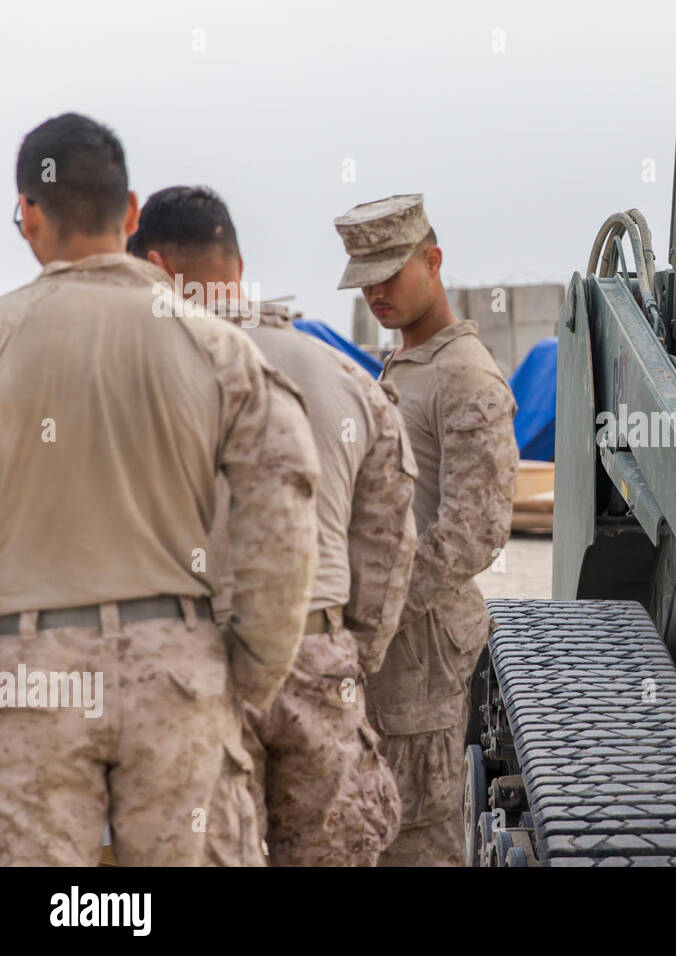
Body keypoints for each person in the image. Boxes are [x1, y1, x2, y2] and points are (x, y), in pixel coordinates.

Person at [0, 114, 319, 866]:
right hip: (178, 670)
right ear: (132, 211)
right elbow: (283, 519)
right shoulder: (216, 348)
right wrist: (244, 670)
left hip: (27, 673)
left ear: (31, 214)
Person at [128, 185, 419, 866]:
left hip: (192, 663)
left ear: (160, 266)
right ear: (234, 261)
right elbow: (387, 544)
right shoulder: (347, 376)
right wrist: (347, 654)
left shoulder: (138, 371)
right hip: (317, 652)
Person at [334, 194, 518, 866]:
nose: (376, 293)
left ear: (433, 261)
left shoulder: (463, 374)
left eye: (390, 275)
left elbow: (474, 533)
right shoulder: (412, 362)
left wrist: (377, 614)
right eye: (365, 281)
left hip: (421, 652)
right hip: (394, 646)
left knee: (417, 839)